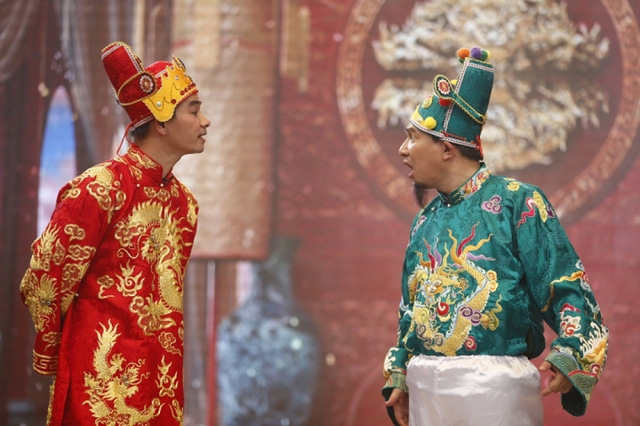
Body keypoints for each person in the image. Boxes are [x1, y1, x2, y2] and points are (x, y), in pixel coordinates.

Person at [382, 47, 608, 426]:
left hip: (493, 389)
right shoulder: (424, 221)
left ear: (447, 148)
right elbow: (411, 309)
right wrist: (401, 373)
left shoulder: (517, 202)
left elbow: (566, 286)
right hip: (426, 388)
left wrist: (571, 353)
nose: (403, 150)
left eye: (412, 138)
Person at [19, 41, 210, 425]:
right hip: (99, 383)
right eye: (194, 110)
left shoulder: (184, 205)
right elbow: (45, 275)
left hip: (161, 380)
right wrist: (52, 350)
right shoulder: (100, 189)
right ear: (160, 122)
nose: (205, 121)